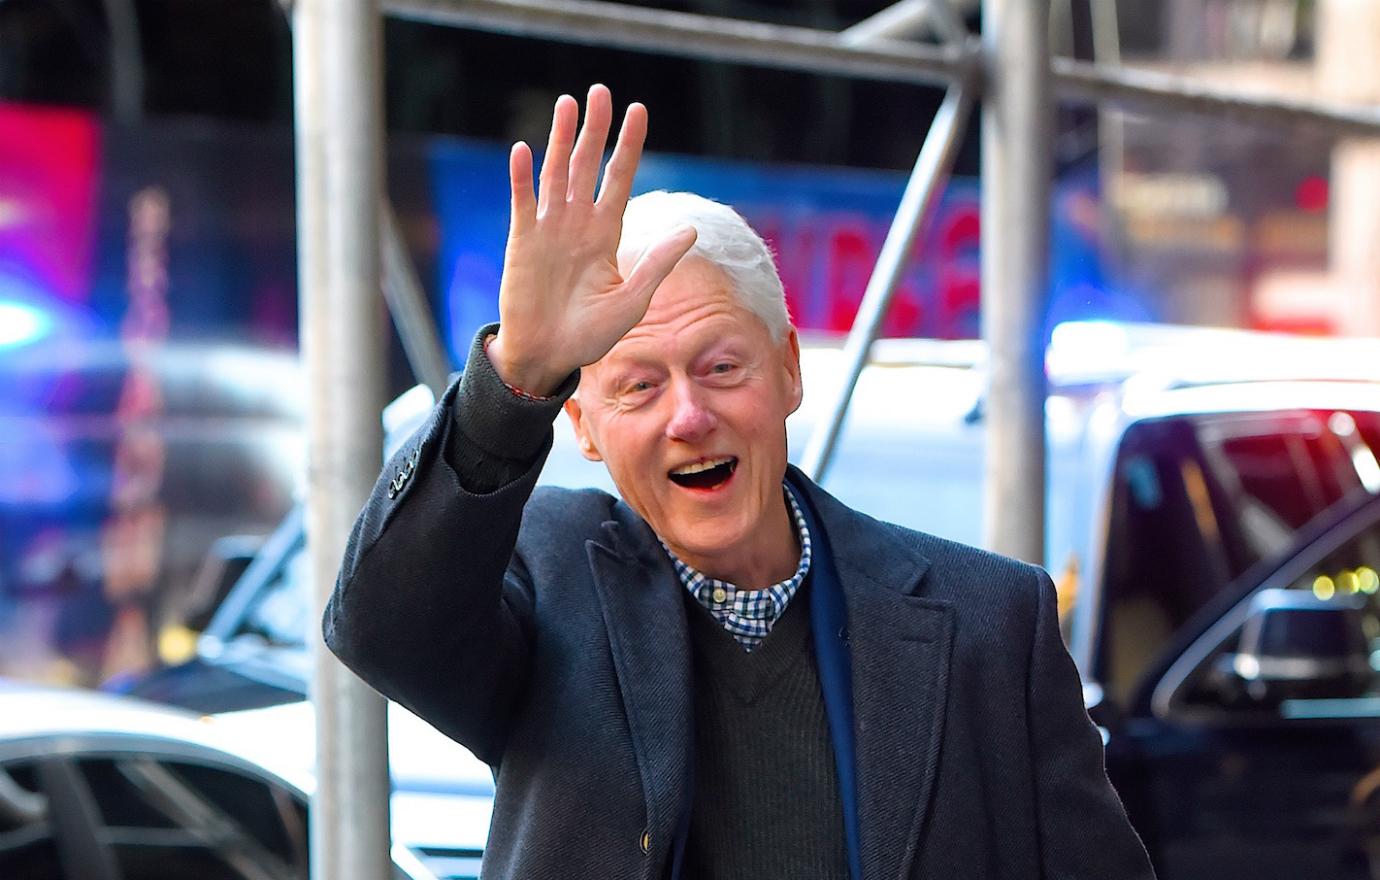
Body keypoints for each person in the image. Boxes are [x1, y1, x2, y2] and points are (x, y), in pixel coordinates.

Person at [325, 84, 1155, 880]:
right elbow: (381, 627)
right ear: (582, 426)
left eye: (722, 366)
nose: (689, 416)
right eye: (639, 386)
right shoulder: (547, 574)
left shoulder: (992, 625)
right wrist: (517, 377)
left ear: (789, 371)